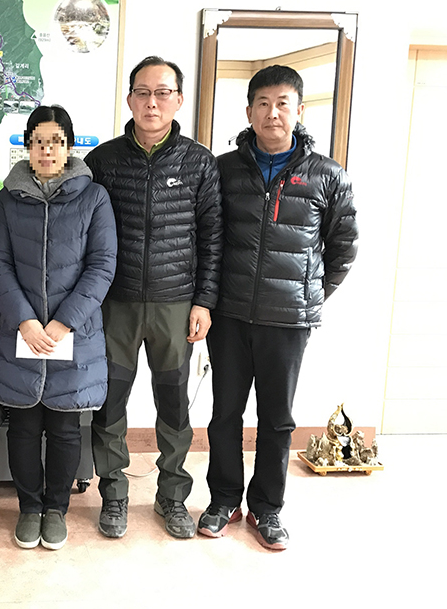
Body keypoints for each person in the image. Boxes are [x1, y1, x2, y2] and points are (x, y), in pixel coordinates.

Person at [198, 65, 358, 551]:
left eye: (283, 104)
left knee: (277, 419)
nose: (273, 113)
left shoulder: (327, 175)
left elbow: (344, 246)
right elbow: (206, 238)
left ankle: (267, 508)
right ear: (249, 111)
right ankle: (224, 499)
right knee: (225, 413)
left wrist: (310, 294)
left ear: (299, 111)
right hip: (229, 314)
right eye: (263, 104)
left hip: (288, 320)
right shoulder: (223, 170)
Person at [85, 56, 222, 540]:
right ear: (129, 99)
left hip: (175, 304)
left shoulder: (199, 163)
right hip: (115, 304)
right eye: (143, 92)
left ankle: (173, 496)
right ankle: (114, 494)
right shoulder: (103, 161)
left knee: (174, 406)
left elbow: (213, 238)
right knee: (110, 404)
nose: (152, 102)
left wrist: (204, 302)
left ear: (178, 100)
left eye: (163, 92)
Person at [0, 105, 117, 550]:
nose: (47, 150)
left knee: (64, 429)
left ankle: (56, 509)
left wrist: (64, 322)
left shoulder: (94, 197)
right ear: (27, 146)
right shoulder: (9, 199)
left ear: (69, 147)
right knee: (23, 428)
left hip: (73, 335)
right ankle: (29, 507)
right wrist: (25, 320)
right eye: (38, 141)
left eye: (56, 142)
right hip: (21, 333)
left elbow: (102, 266)